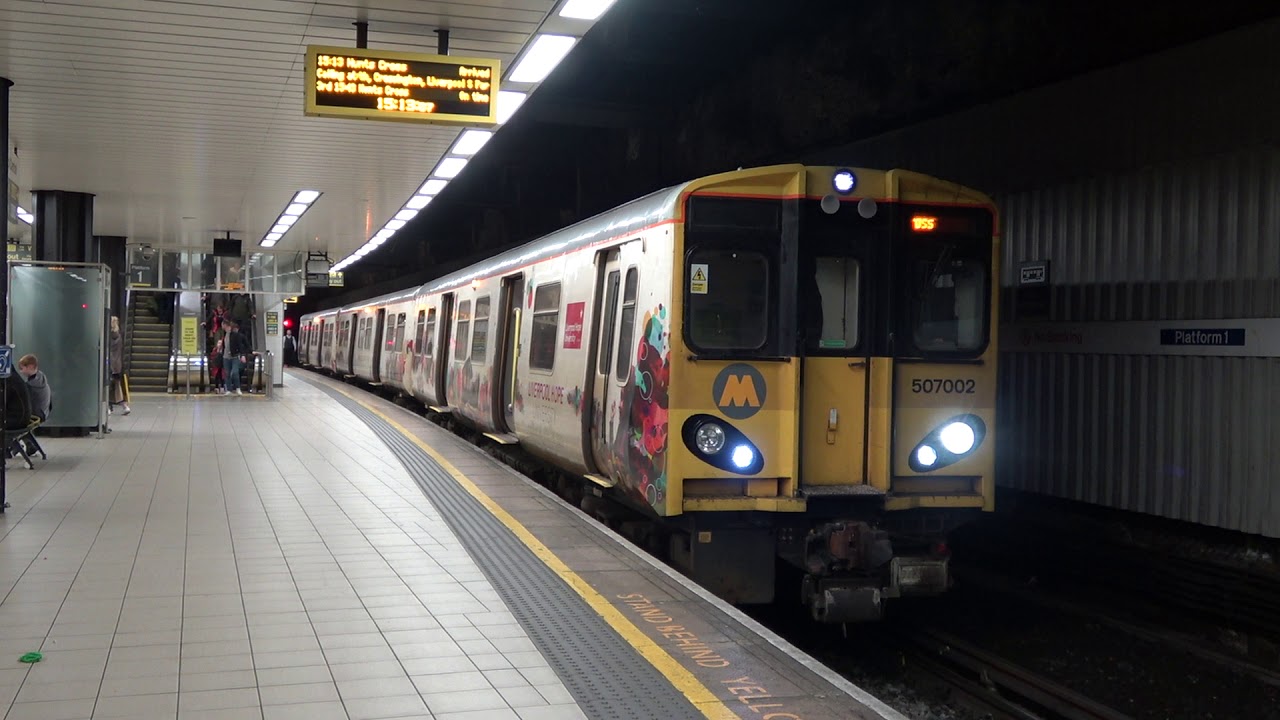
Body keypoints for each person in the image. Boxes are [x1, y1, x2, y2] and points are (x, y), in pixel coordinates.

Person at [18, 354, 51, 423]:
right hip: (44, 413)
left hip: (36, 415)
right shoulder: (42, 380)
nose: (21, 372)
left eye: (22, 368)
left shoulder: (31, 386)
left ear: (30, 367)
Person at [109, 316, 132, 415]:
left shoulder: (107, 336)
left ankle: (109, 407)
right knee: (116, 386)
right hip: (117, 364)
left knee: (107, 386)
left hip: (109, 364)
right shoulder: (119, 336)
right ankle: (123, 405)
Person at [222, 320, 250, 395]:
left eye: (223, 325)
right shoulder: (224, 335)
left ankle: (238, 388)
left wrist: (242, 355)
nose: (222, 326)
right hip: (225, 357)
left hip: (234, 356)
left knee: (235, 372)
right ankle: (228, 389)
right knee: (227, 373)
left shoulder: (235, 335)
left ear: (228, 326)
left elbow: (240, 345)